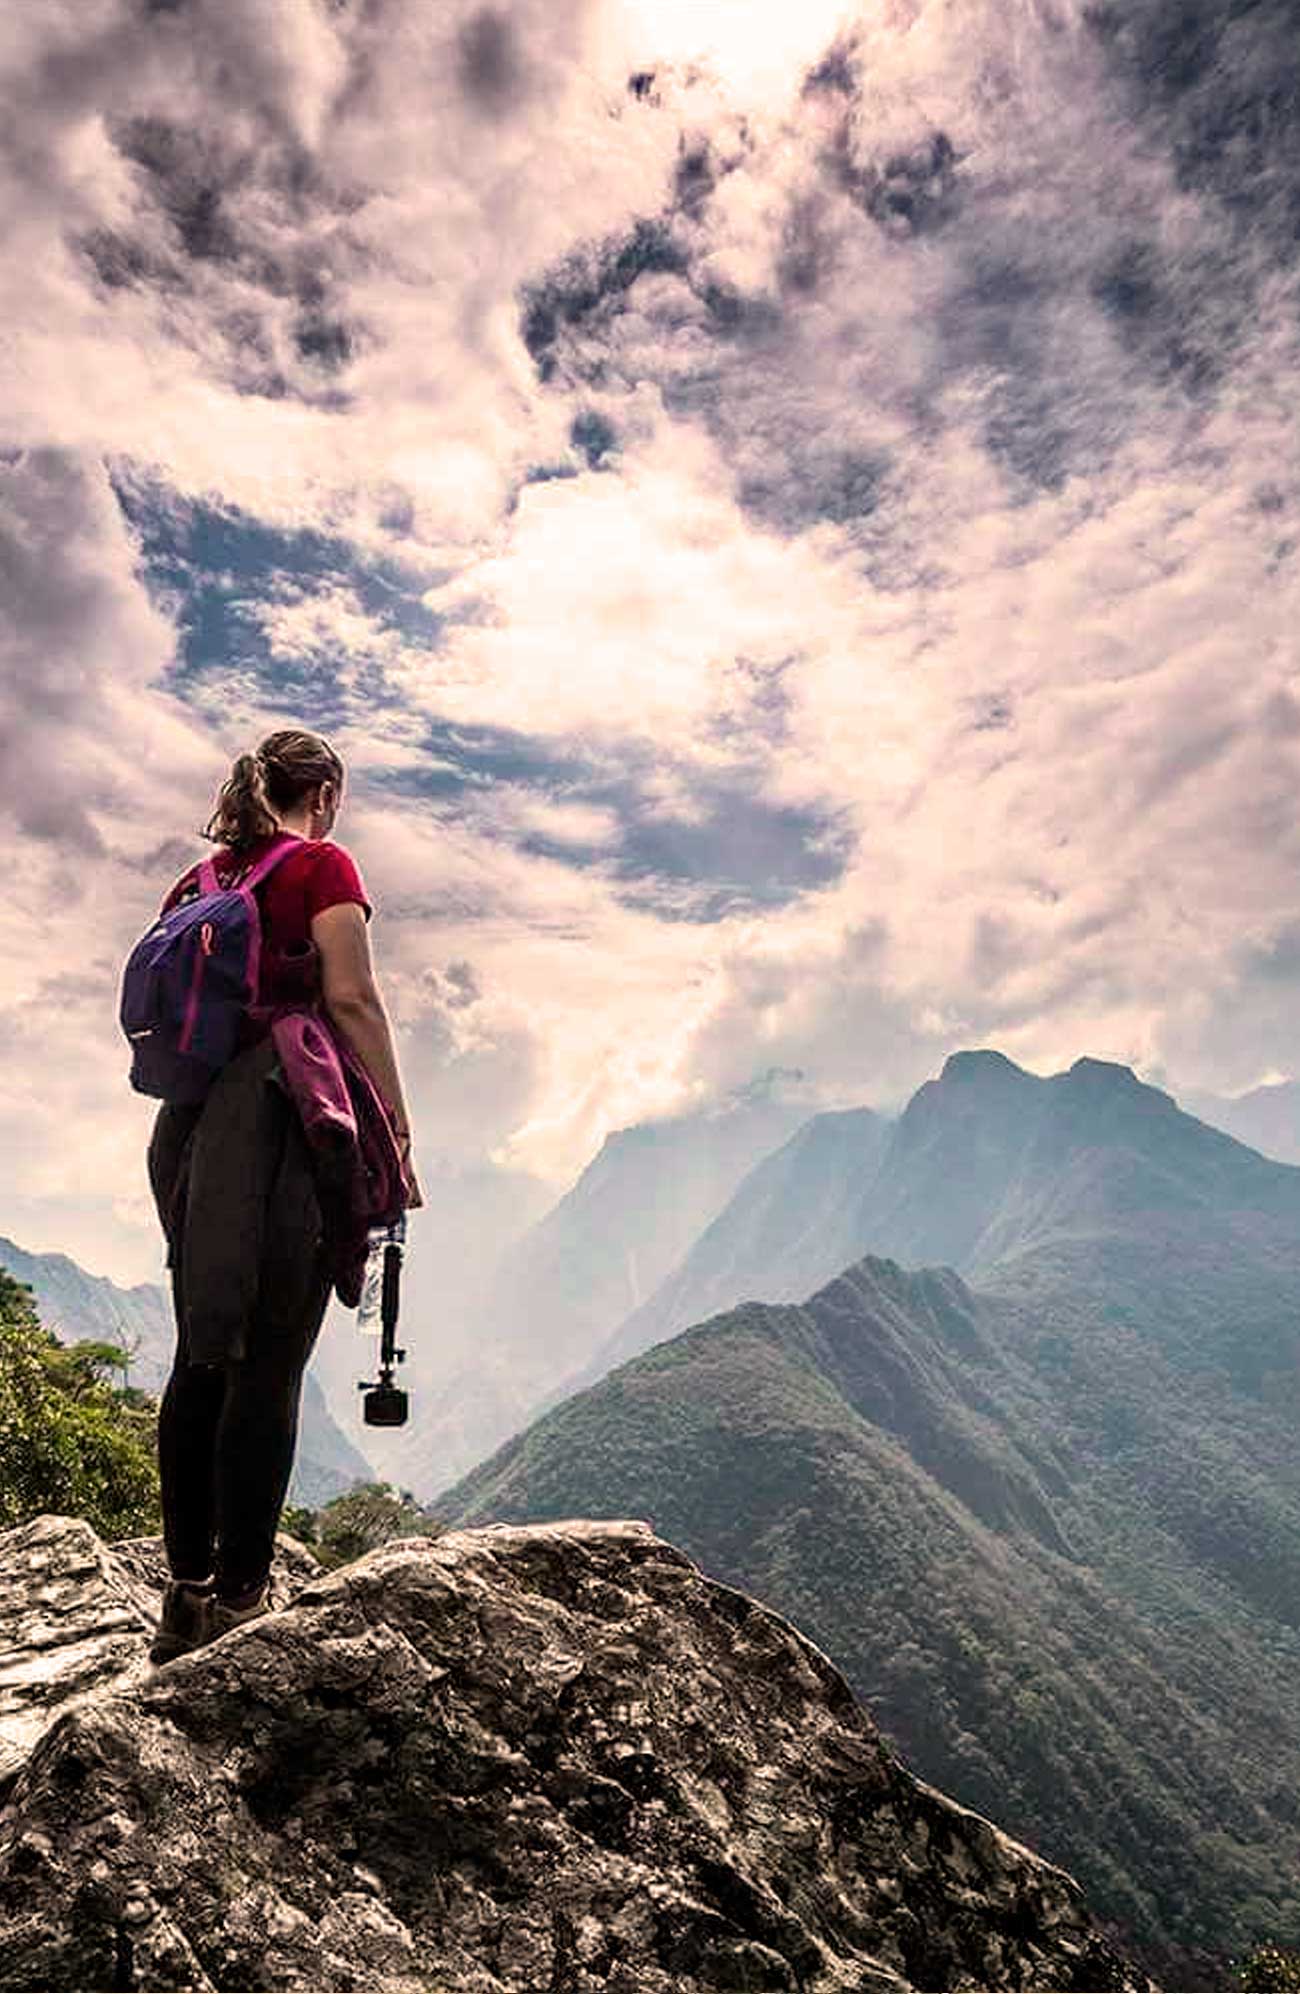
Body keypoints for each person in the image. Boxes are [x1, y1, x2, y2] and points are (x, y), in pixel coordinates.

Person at [144, 728, 422, 1664]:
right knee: (269, 1363)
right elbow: (351, 998)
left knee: (200, 1355)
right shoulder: (321, 866)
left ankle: (183, 1597)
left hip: (189, 1143)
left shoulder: (201, 885)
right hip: (278, 1131)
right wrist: (396, 1118)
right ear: (327, 795)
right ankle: (241, 1601)